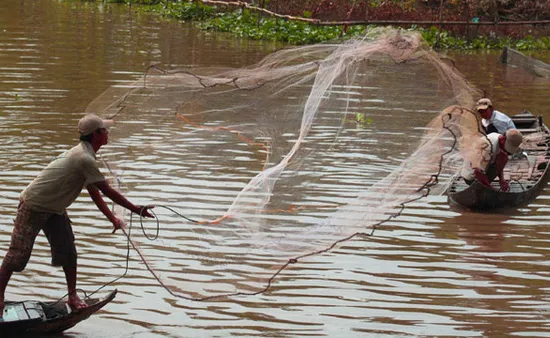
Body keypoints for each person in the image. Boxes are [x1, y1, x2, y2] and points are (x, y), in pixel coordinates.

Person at [0, 114, 154, 317]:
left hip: (55, 208)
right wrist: (137, 210)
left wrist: (112, 218)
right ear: (96, 135)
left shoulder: (86, 156)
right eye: (104, 130)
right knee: (17, 255)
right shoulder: (84, 158)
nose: (107, 133)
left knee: (68, 251)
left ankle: (72, 296)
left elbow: (94, 192)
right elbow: (106, 190)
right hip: (34, 205)